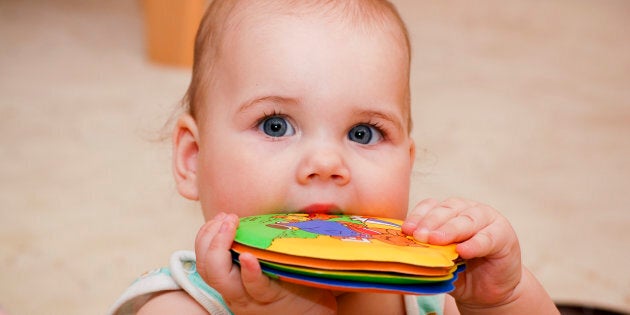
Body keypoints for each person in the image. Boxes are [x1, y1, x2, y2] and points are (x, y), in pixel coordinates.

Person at [110, 0, 559, 314]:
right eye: (275, 125)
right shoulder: (179, 306)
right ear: (193, 158)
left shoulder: (428, 294)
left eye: (363, 133)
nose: (326, 162)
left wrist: (502, 300)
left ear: (407, 160)